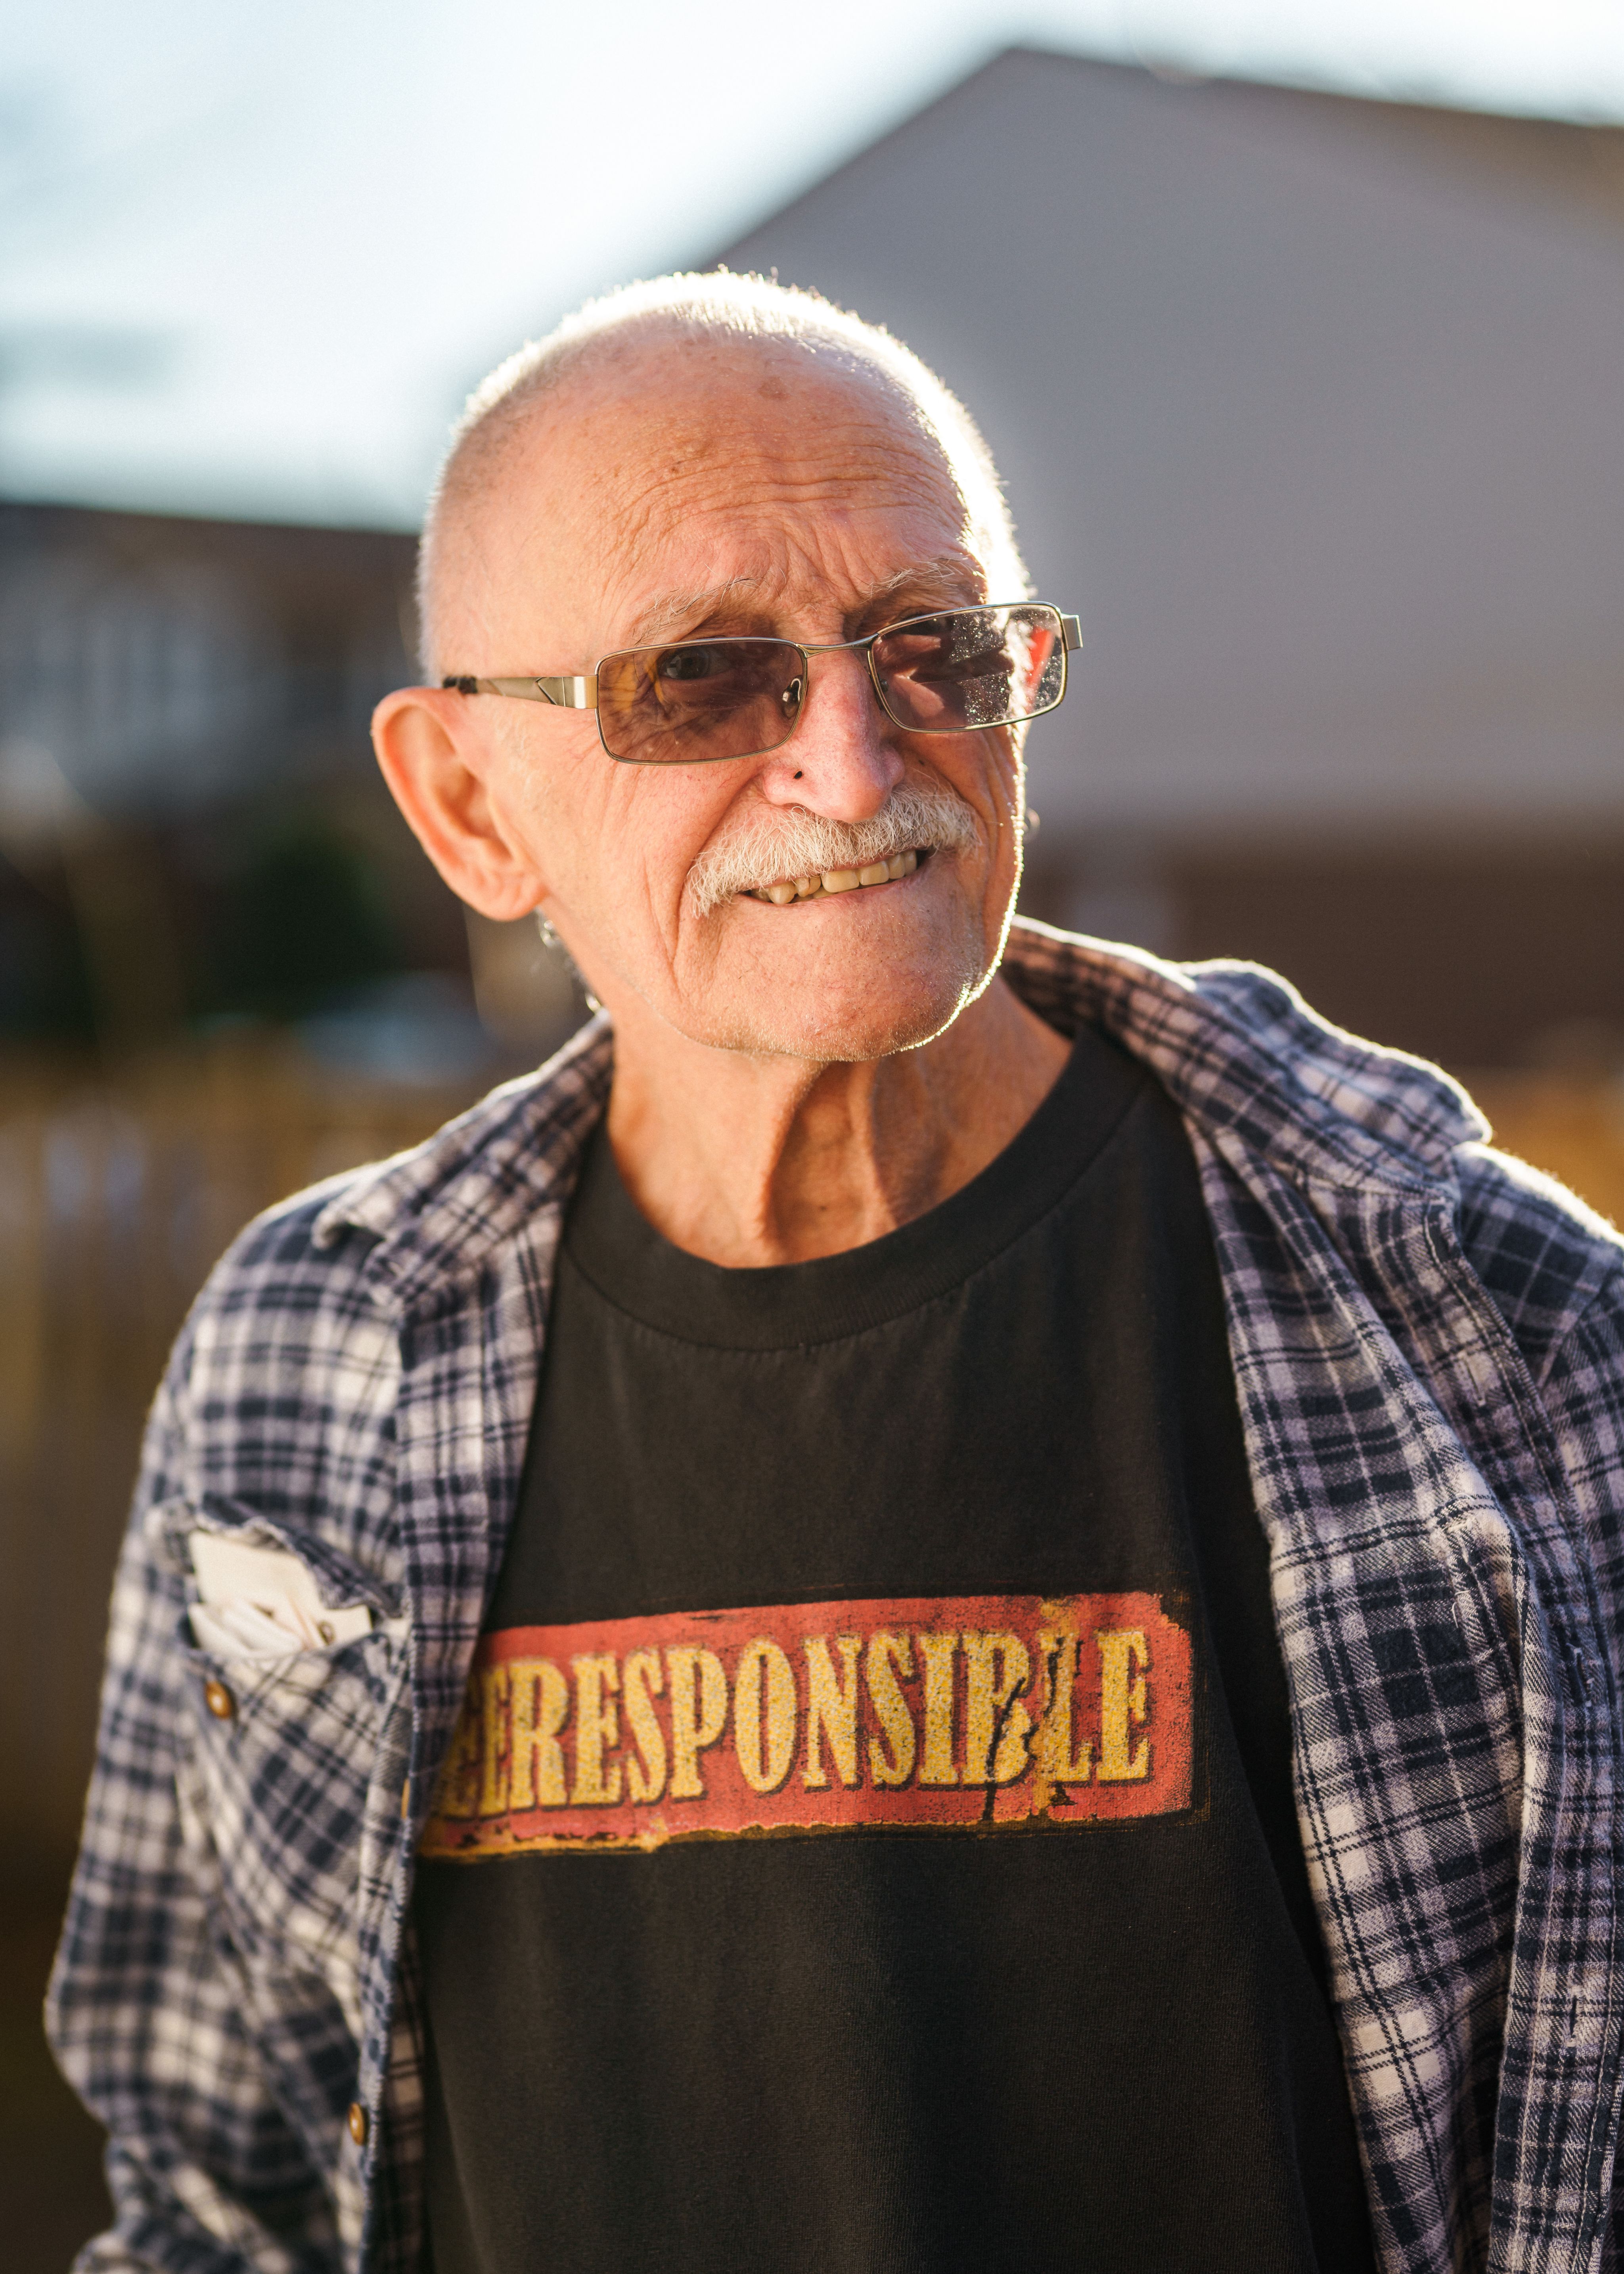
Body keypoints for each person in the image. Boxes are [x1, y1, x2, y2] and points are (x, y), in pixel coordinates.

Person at [48, 272, 1624, 2274]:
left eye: (937, 648)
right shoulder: (306, 1356)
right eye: (701, 681)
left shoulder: (1506, 1337)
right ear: (467, 804)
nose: (861, 765)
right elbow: (215, 2194)